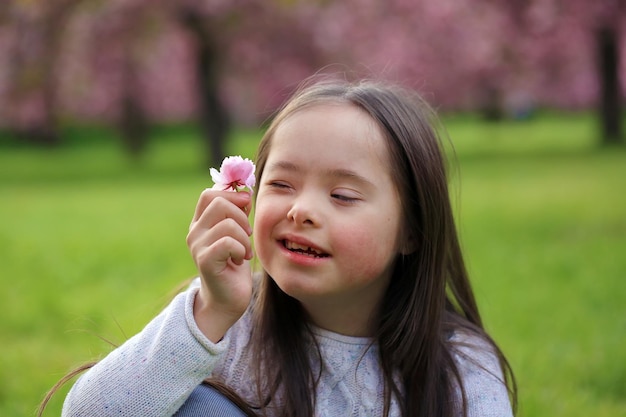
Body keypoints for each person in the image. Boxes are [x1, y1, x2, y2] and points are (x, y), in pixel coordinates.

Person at [60, 78, 516, 417]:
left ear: (412, 230)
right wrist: (211, 311)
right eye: (281, 183)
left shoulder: (458, 367)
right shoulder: (232, 323)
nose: (301, 210)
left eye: (342, 196)